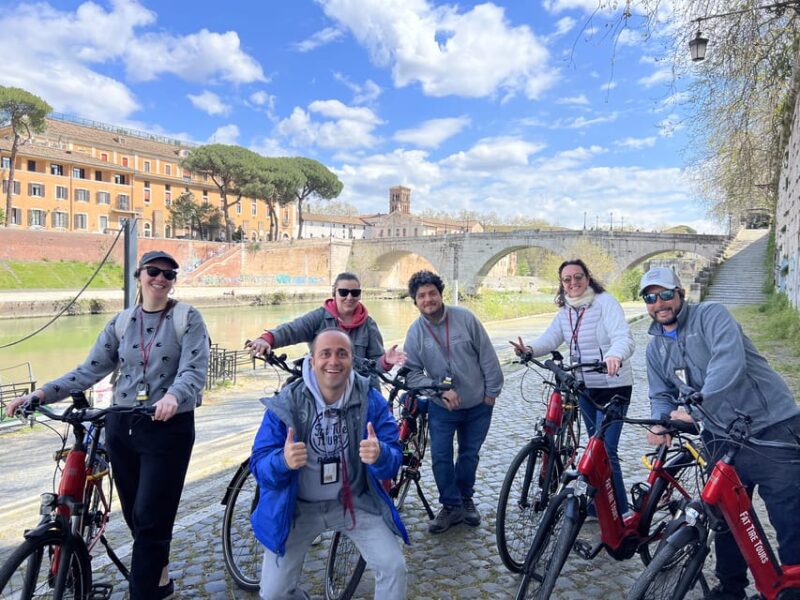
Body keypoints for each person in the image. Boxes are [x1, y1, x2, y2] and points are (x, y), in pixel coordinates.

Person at [6, 250, 209, 600]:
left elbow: (194, 369)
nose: (160, 279)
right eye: (153, 272)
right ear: (140, 276)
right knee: (135, 516)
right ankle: (160, 580)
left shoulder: (188, 318)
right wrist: (40, 394)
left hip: (167, 428)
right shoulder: (121, 322)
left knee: (149, 518)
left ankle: (144, 592)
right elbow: (89, 370)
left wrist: (174, 396)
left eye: (168, 274)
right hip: (122, 426)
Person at [640, 267, 800, 600]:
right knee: (727, 515)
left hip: (769, 425)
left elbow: (727, 364)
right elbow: (660, 393)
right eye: (650, 298)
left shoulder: (711, 315)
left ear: (680, 293)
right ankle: (731, 588)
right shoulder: (655, 348)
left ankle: (793, 588)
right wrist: (661, 421)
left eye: (666, 294)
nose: (660, 303)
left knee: (788, 515)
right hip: (718, 434)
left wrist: (695, 411)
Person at [250, 328, 408, 600]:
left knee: (394, 566)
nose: (333, 361)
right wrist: (283, 461)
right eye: (325, 354)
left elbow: (393, 460)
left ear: (352, 360)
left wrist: (380, 454)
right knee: (273, 593)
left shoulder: (370, 400)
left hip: (354, 502)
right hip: (298, 508)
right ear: (312, 361)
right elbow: (259, 464)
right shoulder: (287, 403)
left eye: (342, 354)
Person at [510, 259, 635, 517]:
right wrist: (529, 349)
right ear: (562, 284)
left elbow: (623, 336)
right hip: (585, 387)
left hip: (613, 386)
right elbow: (551, 338)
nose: (573, 283)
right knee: (592, 448)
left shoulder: (605, 303)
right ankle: (596, 506)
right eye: (567, 279)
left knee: (606, 450)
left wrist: (615, 355)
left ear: (587, 278)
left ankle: (621, 512)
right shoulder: (566, 311)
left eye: (578, 277)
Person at [403, 270, 504, 533]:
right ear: (415, 301)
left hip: (478, 403)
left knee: (469, 455)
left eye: (432, 293)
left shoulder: (466, 318)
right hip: (442, 407)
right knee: (440, 457)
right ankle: (451, 506)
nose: (428, 299)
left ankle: (465, 498)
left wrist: (491, 393)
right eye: (421, 296)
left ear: (440, 294)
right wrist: (437, 393)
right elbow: (411, 375)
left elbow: (487, 356)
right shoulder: (415, 333)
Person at [247, 272, 405, 386]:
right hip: (323, 386)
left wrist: (385, 361)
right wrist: (266, 339)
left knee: (379, 420)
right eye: (343, 292)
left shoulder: (369, 325)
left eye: (355, 293)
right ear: (334, 292)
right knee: (286, 403)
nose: (349, 297)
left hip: (359, 388)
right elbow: (292, 330)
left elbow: (375, 365)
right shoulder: (319, 317)